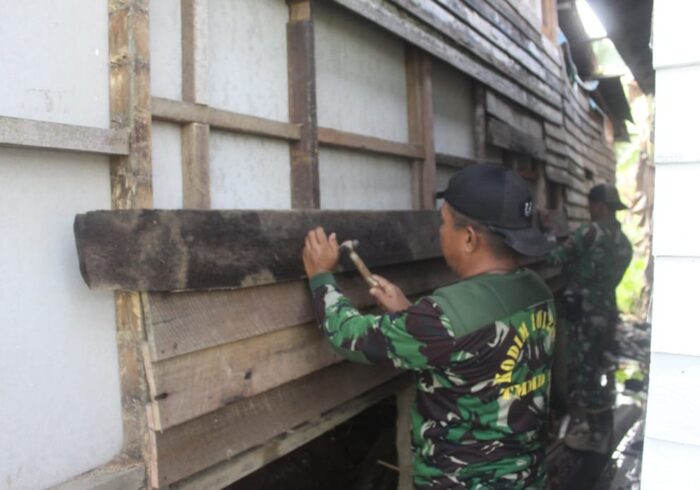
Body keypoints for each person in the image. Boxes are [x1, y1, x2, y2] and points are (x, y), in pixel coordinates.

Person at [303, 164, 556, 489]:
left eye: (444, 222)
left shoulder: (444, 319)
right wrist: (410, 315)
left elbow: (347, 335)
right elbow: (471, 353)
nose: (440, 231)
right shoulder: (538, 291)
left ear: (469, 239)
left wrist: (321, 276)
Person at [546, 183, 632, 453]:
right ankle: (601, 426)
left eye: (591, 205)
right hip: (607, 312)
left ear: (601, 206)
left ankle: (596, 435)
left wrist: (547, 236)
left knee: (584, 375)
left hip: (584, 314)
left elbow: (555, 257)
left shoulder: (590, 232)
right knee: (598, 367)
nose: (590, 210)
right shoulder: (624, 243)